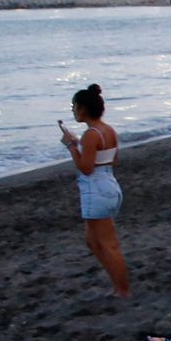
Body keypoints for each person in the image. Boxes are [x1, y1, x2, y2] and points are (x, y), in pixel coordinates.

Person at [59, 84, 130, 298]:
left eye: (74, 106)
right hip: (109, 183)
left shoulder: (92, 134)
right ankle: (117, 286)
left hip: (96, 188)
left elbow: (86, 168)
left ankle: (123, 290)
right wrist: (79, 144)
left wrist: (71, 146)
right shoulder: (108, 130)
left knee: (108, 244)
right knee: (92, 241)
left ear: (82, 109)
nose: (72, 111)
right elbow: (112, 159)